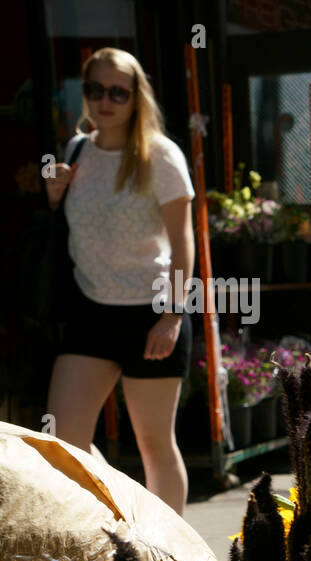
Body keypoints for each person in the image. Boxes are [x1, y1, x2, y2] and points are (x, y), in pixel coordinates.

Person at [43, 47, 195, 514]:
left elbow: (183, 241)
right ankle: (119, 516)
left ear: (136, 97)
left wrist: (171, 317)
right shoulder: (74, 151)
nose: (105, 100)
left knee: (154, 445)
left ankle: (172, 559)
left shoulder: (160, 155)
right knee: (60, 441)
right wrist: (54, 194)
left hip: (151, 313)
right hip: (90, 310)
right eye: (95, 89)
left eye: (118, 92)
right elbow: (71, 227)